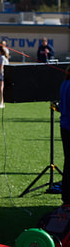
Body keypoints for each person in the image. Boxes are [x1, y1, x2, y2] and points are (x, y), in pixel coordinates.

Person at [58, 67, 70, 206]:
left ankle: (66, 196)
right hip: (68, 126)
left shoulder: (64, 83)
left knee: (68, 163)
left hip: (64, 127)